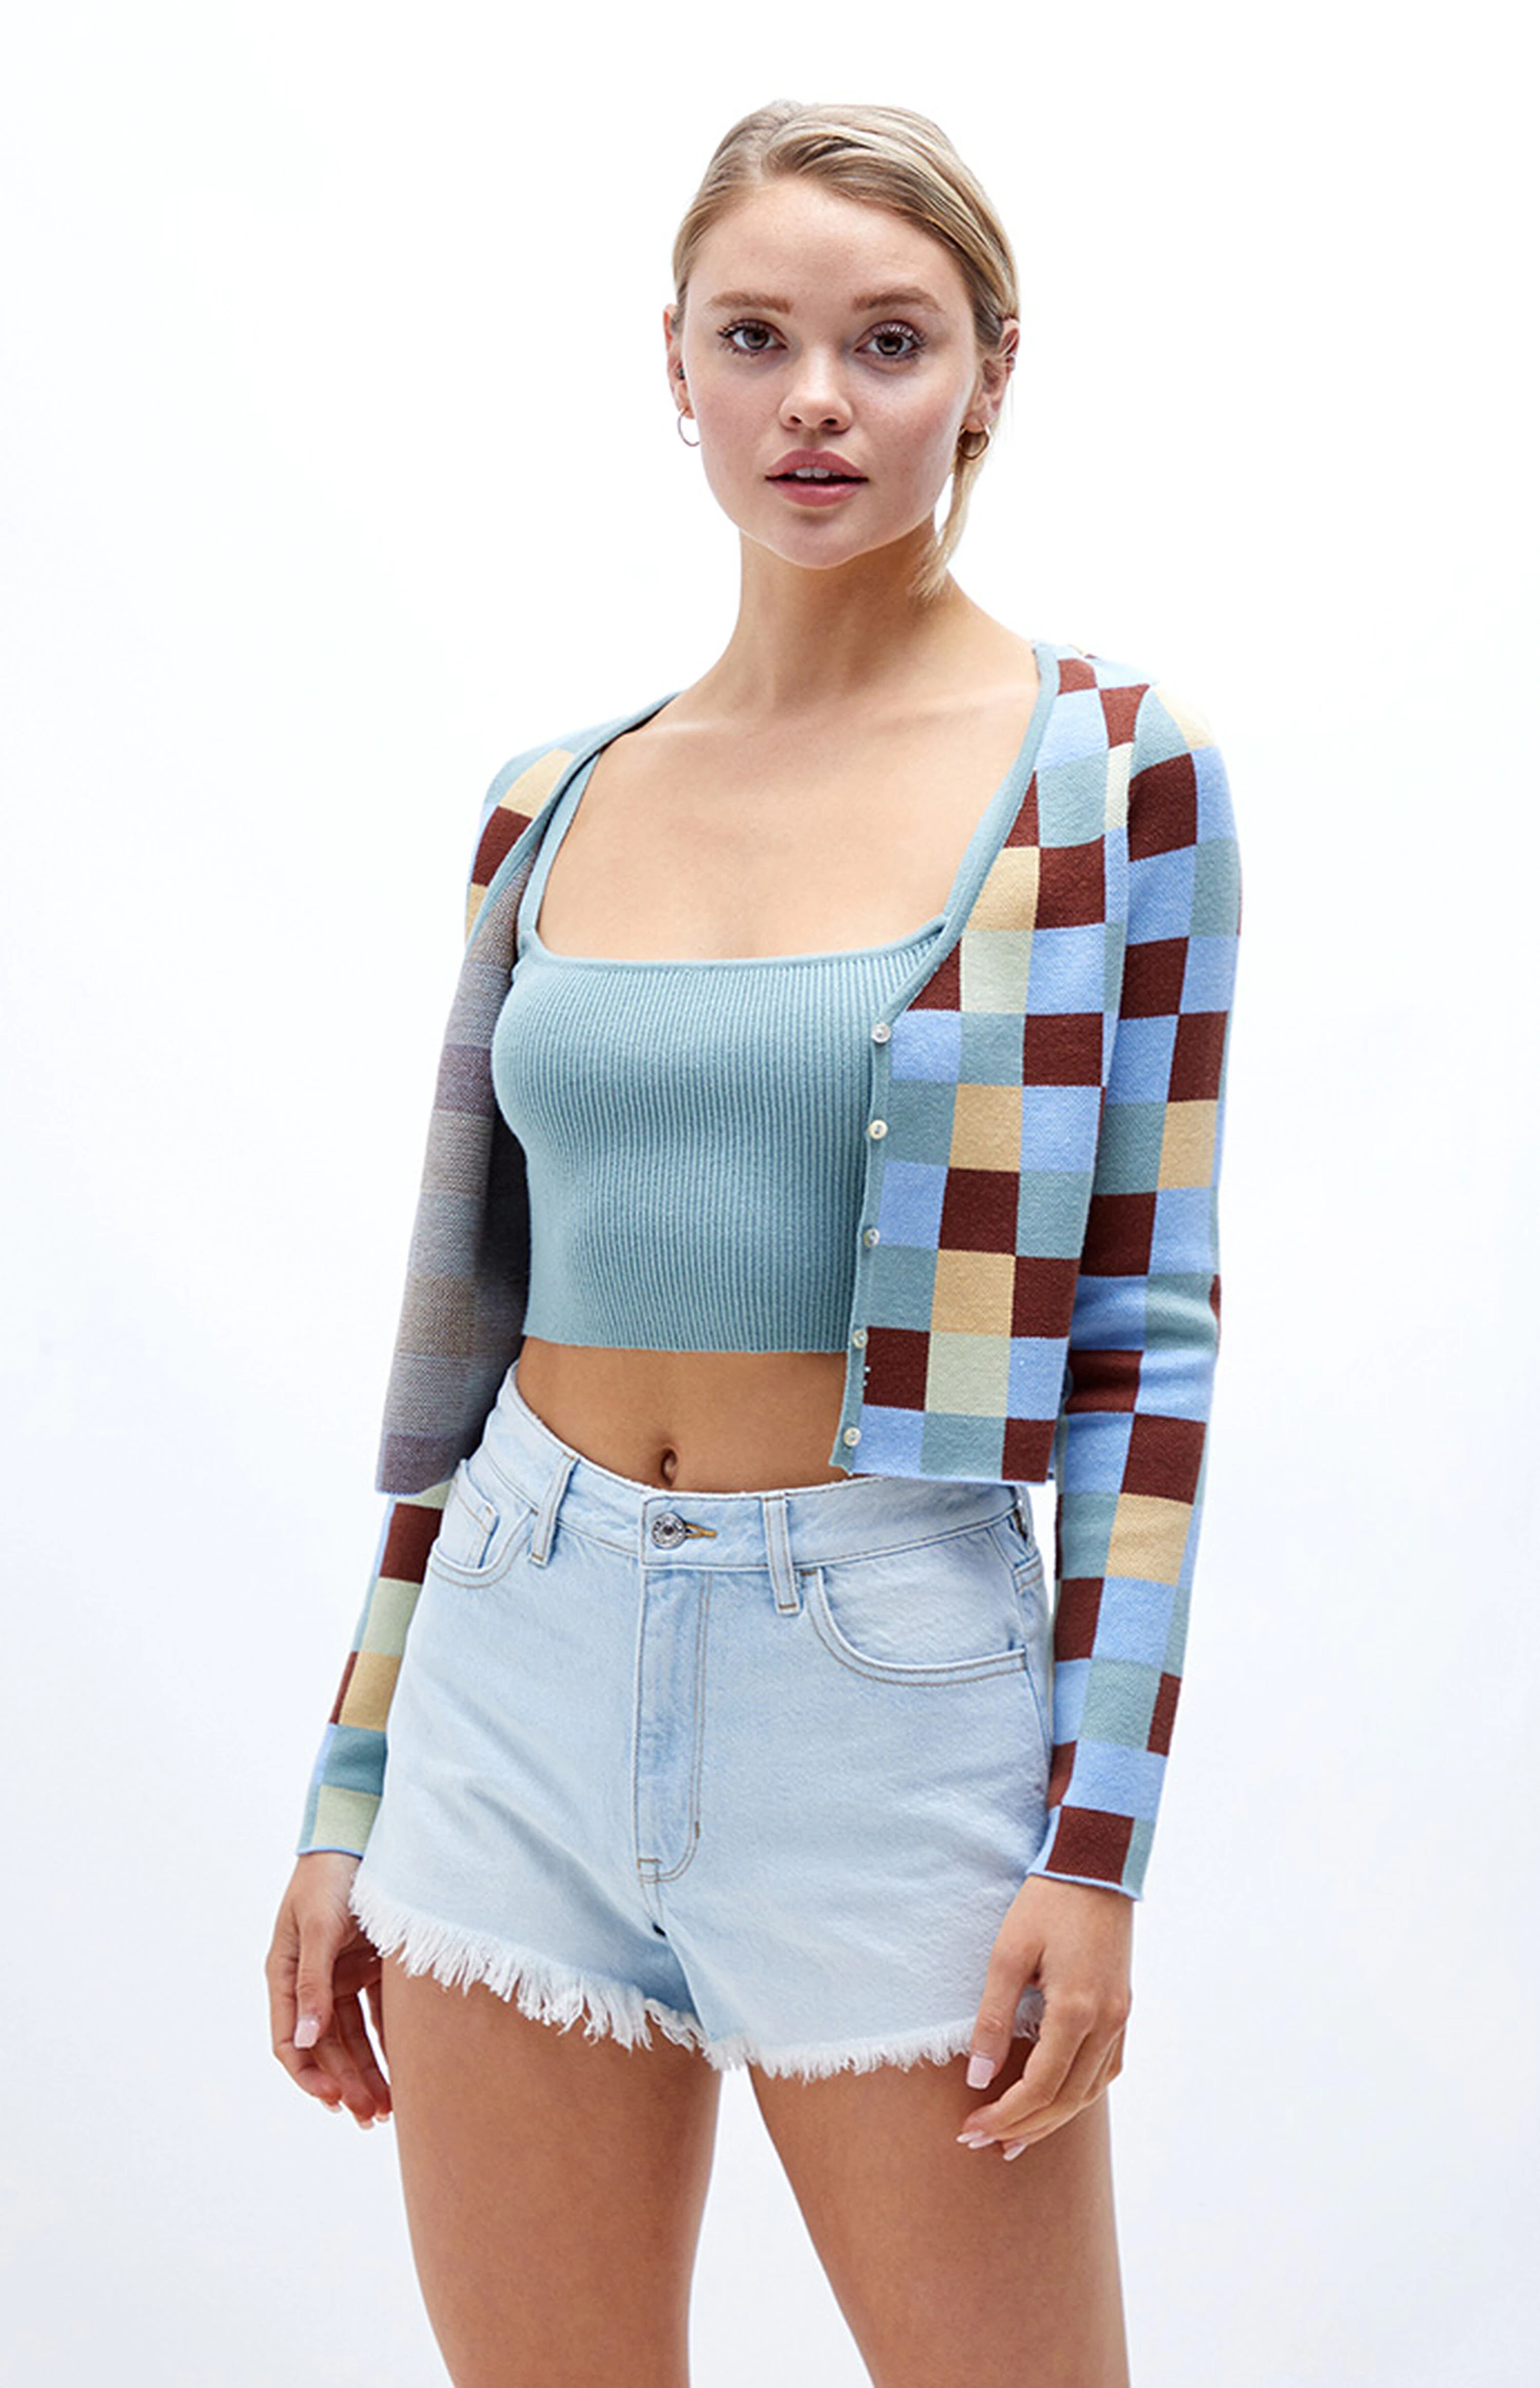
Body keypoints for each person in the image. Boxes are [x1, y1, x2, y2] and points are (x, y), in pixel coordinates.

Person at [265, 97, 1240, 2388]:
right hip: (513, 1660)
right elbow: (463, 1349)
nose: (817, 398)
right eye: (757, 337)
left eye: (888, 341)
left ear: (987, 374)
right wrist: (349, 1787)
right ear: (677, 366)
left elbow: (1148, 1333)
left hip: (883, 1687)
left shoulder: (1109, 773)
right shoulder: (551, 800)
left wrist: (1096, 1848)